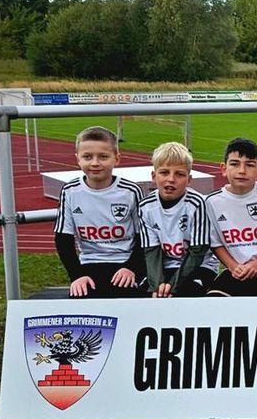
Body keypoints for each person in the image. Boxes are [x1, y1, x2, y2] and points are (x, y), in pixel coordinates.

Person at [53, 126, 145, 298]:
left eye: (103, 157)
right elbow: (63, 239)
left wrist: (132, 268)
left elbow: (144, 236)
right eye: (87, 157)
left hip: (124, 262)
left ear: (117, 158)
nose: (95, 163)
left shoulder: (130, 191)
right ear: (78, 159)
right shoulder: (70, 191)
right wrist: (76, 275)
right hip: (89, 263)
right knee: (82, 297)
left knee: (127, 297)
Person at [204, 138, 257, 297]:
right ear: (223, 168)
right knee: (214, 300)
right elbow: (216, 243)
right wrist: (232, 266)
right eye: (235, 164)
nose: (242, 170)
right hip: (235, 269)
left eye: (250, 165)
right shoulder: (211, 202)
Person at [138, 142, 215, 297]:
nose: (171, 179)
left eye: (179, 174)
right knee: (143, 295)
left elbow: (197, 252)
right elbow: (151, 252)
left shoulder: (198, 204)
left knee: (185, 293)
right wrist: (157, 286)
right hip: (165, 266)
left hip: (199, 267)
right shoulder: (146, 207)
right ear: (154, 176)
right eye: (164, 172)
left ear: (189, 179)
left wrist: (172, 287)